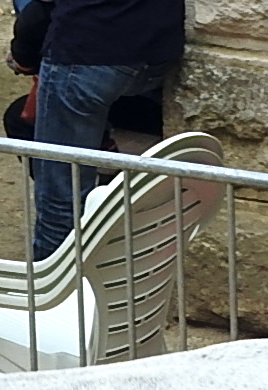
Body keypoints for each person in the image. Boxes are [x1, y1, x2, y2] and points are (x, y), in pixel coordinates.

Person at [10, 0, 184, 260]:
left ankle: (55, 292)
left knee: (60, 196)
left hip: (86, 53)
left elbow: (41, 7)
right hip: (156, 51)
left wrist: (23, 52)